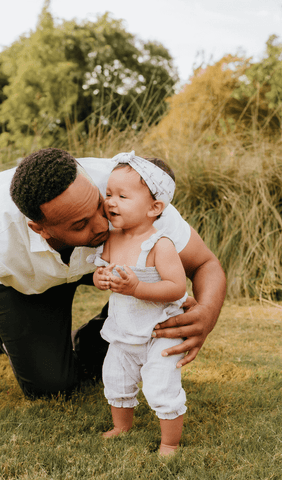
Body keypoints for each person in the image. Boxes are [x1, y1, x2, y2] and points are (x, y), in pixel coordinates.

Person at [0, 148, 226, 443]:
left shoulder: (130, 189)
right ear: (39, 228)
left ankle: (97, 337)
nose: (102, 224)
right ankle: (5, 331)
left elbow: (204, 264)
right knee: (51, 384)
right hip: (24, 284)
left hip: (108, 272)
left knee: (142, 292)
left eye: (98, 204)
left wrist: (207, 313)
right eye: (80, 224)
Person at [89, 152, 188, 456]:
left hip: (159, 332)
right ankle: (121, 426)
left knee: (161, 386)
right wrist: (101, 278)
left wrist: (137, 287)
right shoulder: (111, 238)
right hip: (123, 329)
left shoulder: (161, 245)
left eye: (122, 196)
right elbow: (98, 270)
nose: (111, 202)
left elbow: (176, 287)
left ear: (154, 208)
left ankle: (169, 443)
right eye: (108, 194)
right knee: (116, 379)